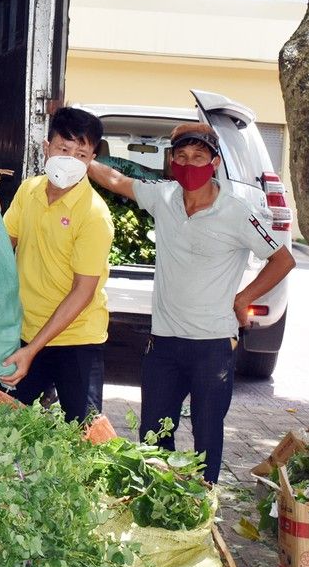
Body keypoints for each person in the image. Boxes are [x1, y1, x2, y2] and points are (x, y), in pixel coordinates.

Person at [89, 122, 296, 483]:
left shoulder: (237, 211)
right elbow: (116, 181)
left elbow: (283, 260)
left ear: (214, 162)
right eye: (181, 157)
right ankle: (159, 499)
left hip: (212, 346)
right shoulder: (163, 197)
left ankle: (204, 502)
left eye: (199, 157)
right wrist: (78, 159)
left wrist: (244, 297)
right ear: (172, 162)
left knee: (207, 435)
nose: (189, 164)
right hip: (164, 344)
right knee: (153, 435)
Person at [0, 108, 114, 424]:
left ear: (91, 160)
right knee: (4, 424)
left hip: (77, 339)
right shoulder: (29, 190)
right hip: (28, 330)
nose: (71, 160)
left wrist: (32, 348)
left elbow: (82, 292)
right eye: (64, 149)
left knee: (85, 434)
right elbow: (1, 244)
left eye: (82, 154)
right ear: (46, 146)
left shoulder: (94, 215)